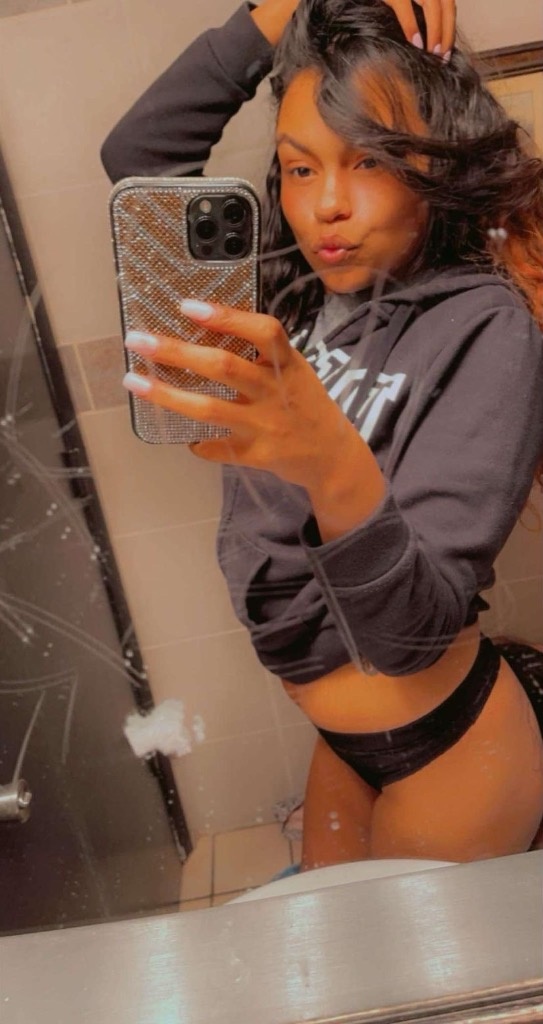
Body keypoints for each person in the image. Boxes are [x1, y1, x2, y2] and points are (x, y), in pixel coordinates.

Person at [101, 0, 543, 868]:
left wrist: (327, 457)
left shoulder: (484, 325)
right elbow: (139, 160)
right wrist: (284, 10)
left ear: (435, 166)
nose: (325, 207)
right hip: (344, 739)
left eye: (369, 161)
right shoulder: (292, 290)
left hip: (448, 747)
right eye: (300, 168)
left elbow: (408, 634)